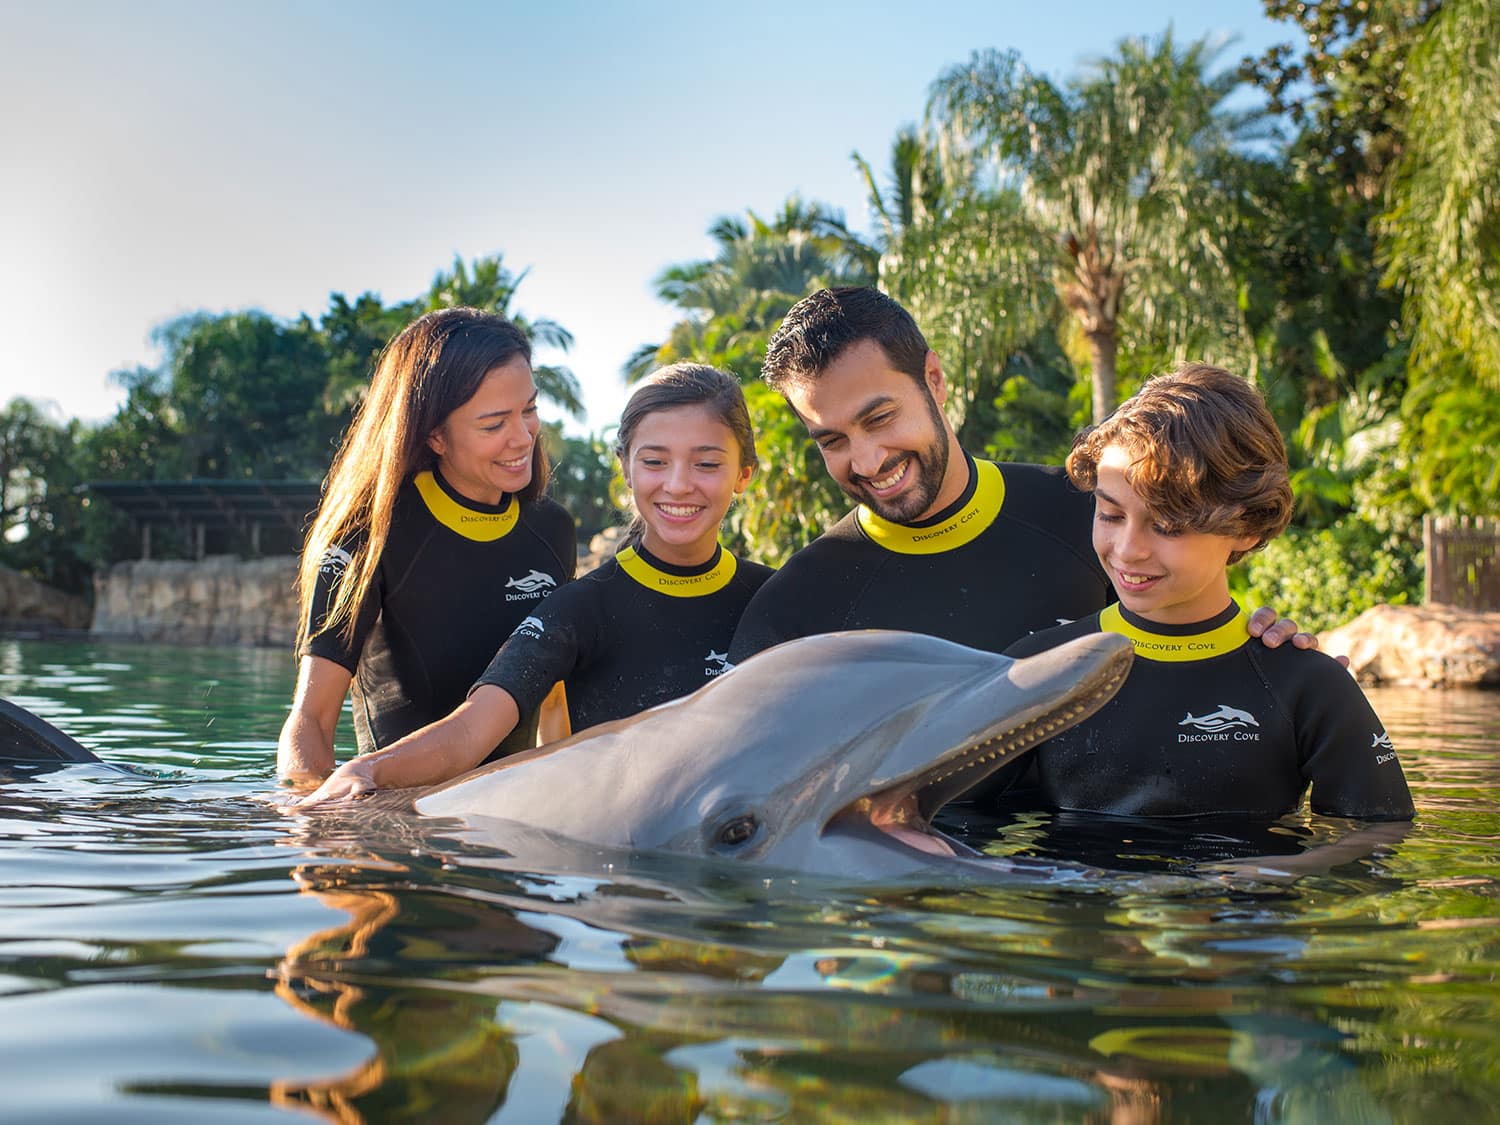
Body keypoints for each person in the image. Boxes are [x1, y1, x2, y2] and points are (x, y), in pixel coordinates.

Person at [728, 287, 1310, 662]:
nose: (868, 460)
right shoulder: (794, 609)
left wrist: (1269, 645)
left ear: (933, 379)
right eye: (832, 440)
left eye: (880, 418)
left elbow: (1194, 637)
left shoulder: (1091, 515)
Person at [285, 363, 772, 806]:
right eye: (655, 461)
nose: (680, 483)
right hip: (405, 822)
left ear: (744, 474)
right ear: (625, 468)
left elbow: (554, 731)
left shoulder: (778, 599)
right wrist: (352, 780)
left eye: (707, 463)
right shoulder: (577, 610)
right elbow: (470, 730)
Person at [978, 364, 1413, 821]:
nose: (1128, 550)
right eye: (1110, 514)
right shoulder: (1035, 671)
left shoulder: (1307, 684)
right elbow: (942, 822)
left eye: (1167, 525)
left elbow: (1376, 838)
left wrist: (1275, 874)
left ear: (1247, 526)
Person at [276, 308, 576, 788]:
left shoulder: (551, 529)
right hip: (395, 823)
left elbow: (555, 706)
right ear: (434, 435)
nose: (522, 437)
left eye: (529, 409)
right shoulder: (368, 534)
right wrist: (314, 822)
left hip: (507, 823)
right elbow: (311, 719)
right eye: (493, 424)